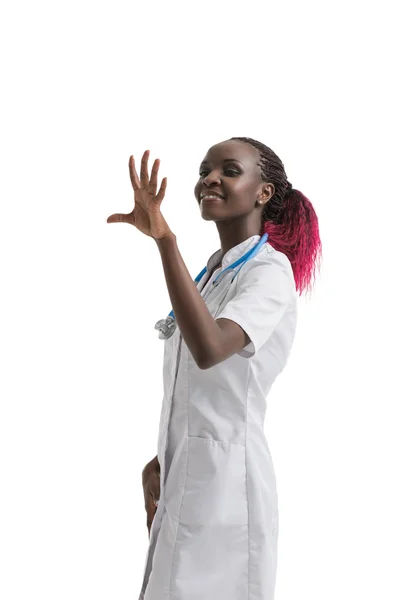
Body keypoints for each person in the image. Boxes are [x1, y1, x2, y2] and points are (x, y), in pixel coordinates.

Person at [107, 137, 322, 600]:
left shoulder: (269, 272)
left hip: (228, 487)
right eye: (205, 169)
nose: (210, 178)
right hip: (187, 471)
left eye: (229, 170)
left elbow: (209, 347)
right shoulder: (212, 275)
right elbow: (195, 387)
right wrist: (164, 453)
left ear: (263, 192)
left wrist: (165, 241)